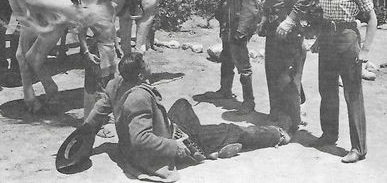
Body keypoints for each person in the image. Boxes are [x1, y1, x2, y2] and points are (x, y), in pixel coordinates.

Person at [78, 52, 290, 182]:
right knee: (230, 130)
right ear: (141, 75)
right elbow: (140, 139)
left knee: (182, 104)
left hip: (165, 128)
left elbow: (97, 112)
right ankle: (276, 134)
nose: (149, 64)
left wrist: (82, 136)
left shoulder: (116, 84)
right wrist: (174, 147)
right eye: (146, 64)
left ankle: (207, 146)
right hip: (162, 145)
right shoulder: (139, 97)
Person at [309, 0, 377, 163]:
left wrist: (365, 49)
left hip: (348, 40)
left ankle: (358, 147)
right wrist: (318, 38)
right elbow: (321, 13)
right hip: (328, 41)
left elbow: (372, 19)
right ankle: (329, 134)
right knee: (327, 89)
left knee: (352, 93)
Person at [254, 0, 313, 135]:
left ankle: (292, 121)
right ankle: (278, 115)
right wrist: (263, 17)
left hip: (288, 27)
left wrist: (290, 20)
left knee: (289, 75)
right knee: (273, 71)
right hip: (272, 25)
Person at [204, 0, 259, 114]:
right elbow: (227, 2)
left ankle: (249, 102)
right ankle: (225, 90)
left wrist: (241, 32)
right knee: (226, 61)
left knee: (243, 67)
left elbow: (251, 9)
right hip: (228, 29)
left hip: (238, 32)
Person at [78, 0, 119, 128]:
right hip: (97, 51)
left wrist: (117, 45)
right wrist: (87, 53)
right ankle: (89, 122)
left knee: (109, 85)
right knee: (93, 88)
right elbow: (81, 34)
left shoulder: (112, 7)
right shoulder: (89, 11)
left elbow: (112, 26)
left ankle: (102, 117)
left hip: (110, 50)